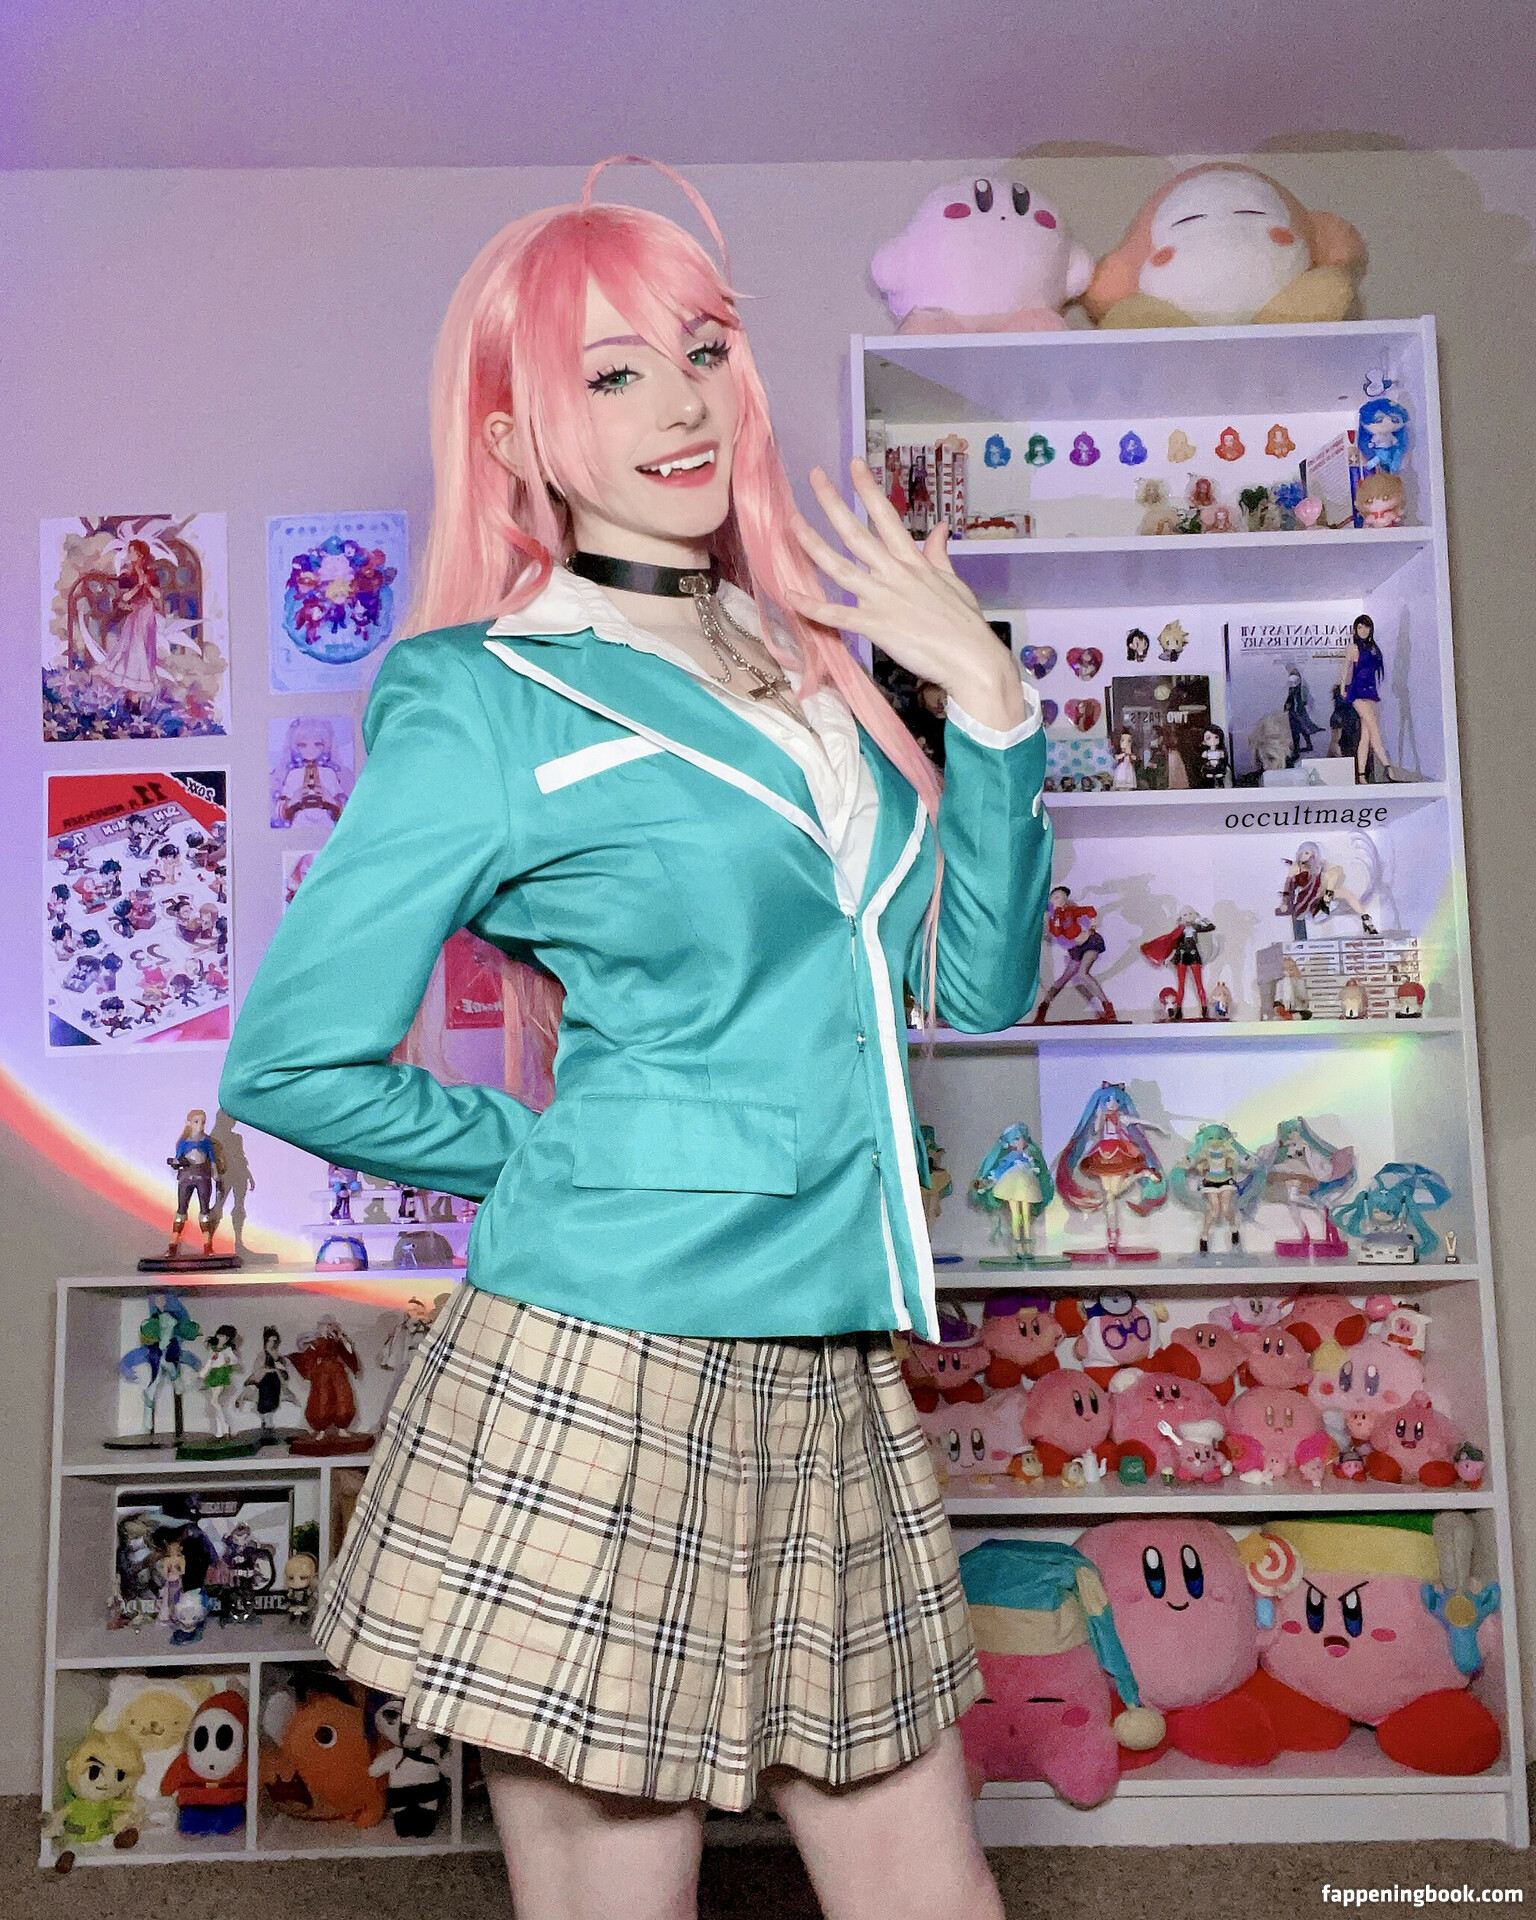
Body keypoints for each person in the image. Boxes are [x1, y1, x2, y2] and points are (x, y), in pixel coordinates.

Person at [219, 158, 1050, 1920]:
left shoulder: (813, 666)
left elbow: (967, 990)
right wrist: (570, 1158)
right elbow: (289, 1062)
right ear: (516, 437)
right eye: (612, 373)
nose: (683, 401)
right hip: (610, 1352)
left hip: (828, 1351)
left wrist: (989, 706)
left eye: (704, 350)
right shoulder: (487, 693)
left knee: (926, 1881)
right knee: (619, 1898)